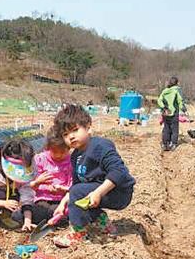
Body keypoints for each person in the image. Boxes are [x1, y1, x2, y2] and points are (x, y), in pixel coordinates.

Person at [51, 104, 136, 248]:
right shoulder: (75, 156)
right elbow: (77, 184)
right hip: (101, 191)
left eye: (75, 130)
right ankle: (105, 225)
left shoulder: (100, 146)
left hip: (119, 192)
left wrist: (98, 192)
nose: (71, 137)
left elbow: (119, 172)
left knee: (79, 193)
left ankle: (77, 233)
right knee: (78, 193)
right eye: (65, 135)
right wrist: (64, 201)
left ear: (89, 128)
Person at [29, 127, 72, 224]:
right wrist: (39, 182)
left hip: (61, 199)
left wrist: (63, 188)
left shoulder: (70, 162)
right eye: (55, 152)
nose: (59, 155)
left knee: (59, 212)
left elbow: (72, 184)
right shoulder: (40, 159)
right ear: (48, 148)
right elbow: (30, 185)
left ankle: (55, 219)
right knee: (39, 212)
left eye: (63, 152)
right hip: (42, 196)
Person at [157, 76, 186, 151]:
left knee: (166, 128)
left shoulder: (165, 91)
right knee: (174, 129)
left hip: (165, 112)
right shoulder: (177, 90)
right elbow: (180, 100)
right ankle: (173, 144)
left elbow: (159, 100)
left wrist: (164, 107)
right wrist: (183, 108)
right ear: (177, 83)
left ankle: (165, 144)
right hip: (174, 112)